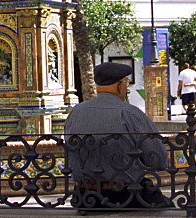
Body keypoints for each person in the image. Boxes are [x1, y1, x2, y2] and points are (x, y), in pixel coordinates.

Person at [63, 61, 169, 209]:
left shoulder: (75, 112)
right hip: (127, 196)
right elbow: (157, 159)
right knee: (170, 208)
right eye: (125, 83)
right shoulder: (130, 113)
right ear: (120, 85)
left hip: (84, 196)